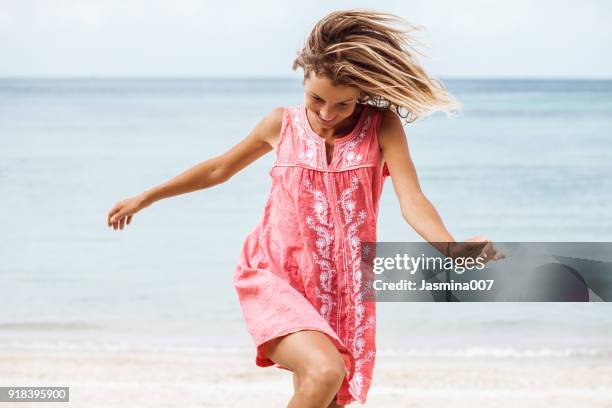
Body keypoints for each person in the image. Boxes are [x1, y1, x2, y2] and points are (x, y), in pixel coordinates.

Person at [107, 9, 503, 407]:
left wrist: (450, 249)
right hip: (275, 276)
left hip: (344, 290)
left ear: (361, 95)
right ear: (302, 80)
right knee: (325, 372)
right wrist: (146, 197)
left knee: (325, 396)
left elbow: (412, 199)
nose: (328, 114)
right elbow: (217, 169)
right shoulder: (281, 124)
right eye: (317, 100)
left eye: (343, 105)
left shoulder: (381, 127)